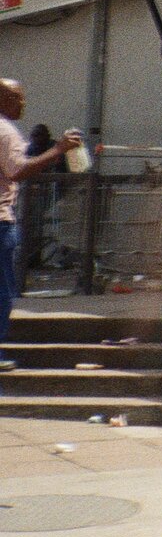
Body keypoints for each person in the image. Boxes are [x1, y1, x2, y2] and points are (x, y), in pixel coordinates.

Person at [0, 79, 80, 372]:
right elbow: (18, 170)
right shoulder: (5, 131)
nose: (23, 104)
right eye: (18, 98)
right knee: (3, 292)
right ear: (4, 99)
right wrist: (57, 150)